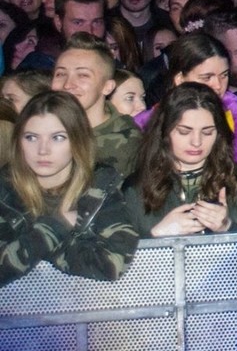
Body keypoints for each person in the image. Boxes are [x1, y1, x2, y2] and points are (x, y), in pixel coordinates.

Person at [0, 92, 140, 286]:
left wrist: (30, 249)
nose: (43, 150)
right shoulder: (5, 191)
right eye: (31, 137)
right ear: (18, 142)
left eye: (57, 137)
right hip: (15, 305)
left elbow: (111, 264)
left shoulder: (99, 188)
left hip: (89, 302)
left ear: (77, 140)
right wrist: (56, 227)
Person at [124, 83, 237, 235]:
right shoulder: (135, 189)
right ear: (164, 132)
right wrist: (156, 236)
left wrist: (228, 228)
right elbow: (121, 248)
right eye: (184, 132)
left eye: (207, 132)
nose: (196, 142)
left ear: (219, 134)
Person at [143, 32, 237, 169]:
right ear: (180, 79)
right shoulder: (148, 121)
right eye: (207, 77)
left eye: (224, 75)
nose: (218, 85)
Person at [51, 33, 142, 177]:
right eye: (61, 74)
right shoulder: (39, 130)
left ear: (107, 87)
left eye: (83, 75)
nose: (67, 84)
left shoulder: (127, 144)